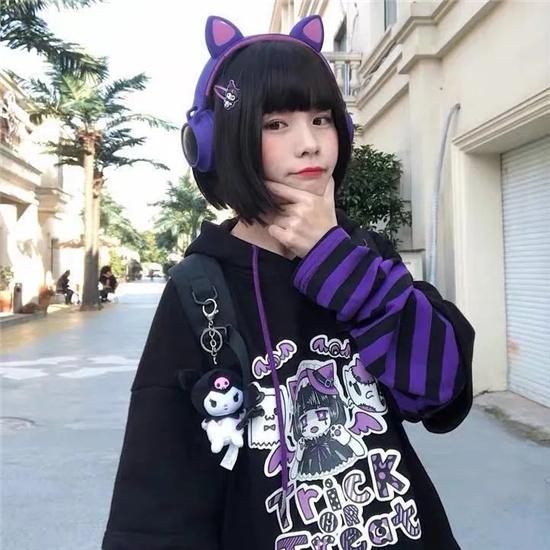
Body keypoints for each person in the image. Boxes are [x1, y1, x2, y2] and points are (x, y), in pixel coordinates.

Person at [102, 15, 475, 550]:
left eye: (321, 119)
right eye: (275, 124)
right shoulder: (200, 287)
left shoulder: (367, 255)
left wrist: (337, 262)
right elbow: (157, 502)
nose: (310, 144)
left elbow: (441, 392)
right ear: (216, 143)